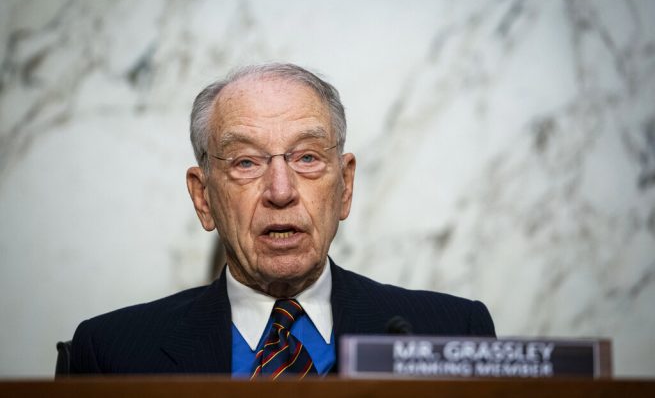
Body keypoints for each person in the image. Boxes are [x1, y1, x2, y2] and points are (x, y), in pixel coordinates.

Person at [70, 63, 495, 377]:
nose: (280, 191)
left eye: (307, 157)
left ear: (345, 186)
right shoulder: (112, 353)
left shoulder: (452, 333)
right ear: (203, 197)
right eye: (246, 162)